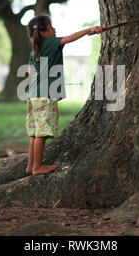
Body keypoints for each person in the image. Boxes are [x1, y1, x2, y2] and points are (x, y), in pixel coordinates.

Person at [25, 14, 102, 175]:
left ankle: (30, 165)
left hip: (33, 95)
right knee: (42, 133)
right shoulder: (50, 42)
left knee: (35, 132)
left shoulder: (35, 51)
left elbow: (29, 72)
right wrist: (90, 30)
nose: (55, 29)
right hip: (45, 95)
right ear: (43, 32)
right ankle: (37, 167)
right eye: (51, 27)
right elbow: (69, 38)